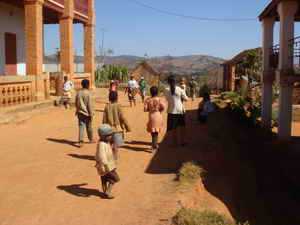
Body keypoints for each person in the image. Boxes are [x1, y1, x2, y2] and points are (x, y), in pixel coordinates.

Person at [103, 91, 131, 159]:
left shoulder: (106, 107)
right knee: (116, 146)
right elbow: (123, 118)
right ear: (117, 97)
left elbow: (104, 119)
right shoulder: (118, 106)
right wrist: (127, 127)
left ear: (109, 97)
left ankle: (109, 156)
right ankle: (114, 157)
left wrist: (103, 129)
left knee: (109, 144)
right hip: (117, 130)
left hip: (108, 129)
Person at [95, 124, 120, 199]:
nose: (111, 137)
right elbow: (101, 156)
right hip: (106, 167)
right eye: (109, 135)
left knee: (104, 179)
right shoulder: (101, 145)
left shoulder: (105, 143)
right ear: (103, 136)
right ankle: (108, 192)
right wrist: (105, 165)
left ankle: (105, 193)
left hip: (107, 166)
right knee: (115, 178)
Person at [165, 75, 188, 147]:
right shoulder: (179, 89)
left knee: (173, 128)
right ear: (176, 81)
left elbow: (167, 99)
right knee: (182, 126)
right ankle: (183, 141)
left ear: (168, 82)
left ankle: (175, 143)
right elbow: (186, 99)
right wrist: (183, 91)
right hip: (180, 110)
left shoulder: (166, 89)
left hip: (171, 111)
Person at [144, 86, 165, 151]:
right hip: (158, 115)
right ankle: (155, 145)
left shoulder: (148, 100)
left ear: (150, 92)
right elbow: (163, 107)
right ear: (157, 92)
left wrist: (150, 109)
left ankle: (154, 145)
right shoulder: (159, 99)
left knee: (153, 132)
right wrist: (159, 110)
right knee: (156, 131)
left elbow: (145, 109)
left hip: (151, 116)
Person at [75, 79, 94, 148]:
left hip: (80, 112)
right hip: (87, 113)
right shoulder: (88, 93)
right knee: (89, 126)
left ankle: (81, 141)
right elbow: (90, 105)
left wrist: (77, 110)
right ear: (88, 85)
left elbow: (76, 103)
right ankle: (91, 139)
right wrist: (91, 114)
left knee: (81, 126)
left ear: (82, 85)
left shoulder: (78, 93)